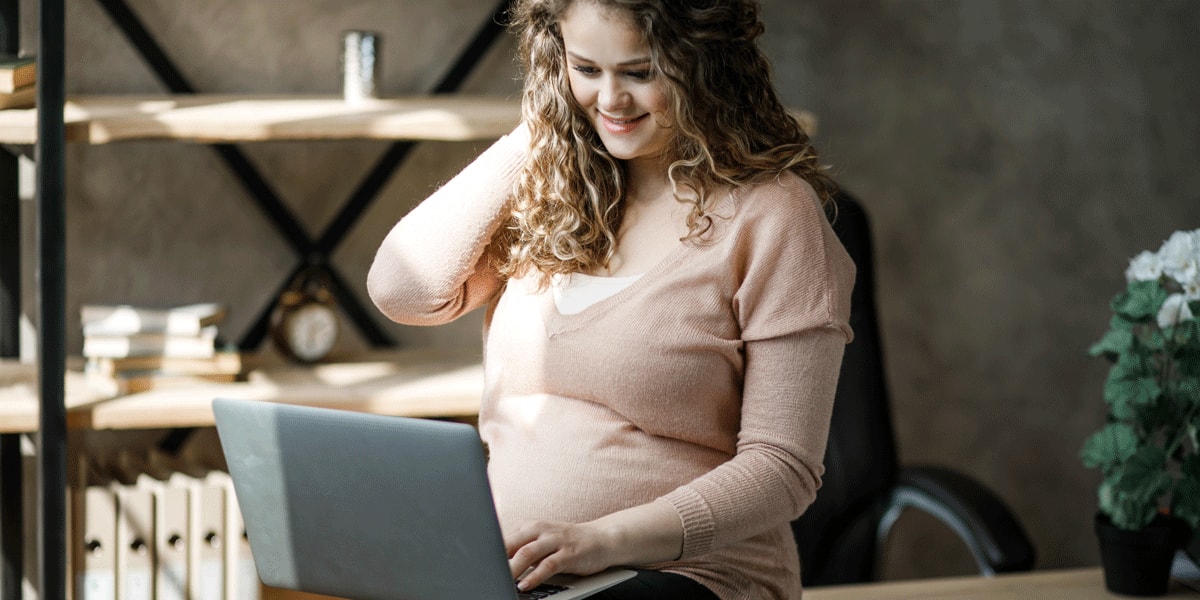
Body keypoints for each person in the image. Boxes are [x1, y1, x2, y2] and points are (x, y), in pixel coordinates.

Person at [367, 0, 854, 598]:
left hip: (687, 576)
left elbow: (782, 470)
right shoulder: (554, 195)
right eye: (587, 68)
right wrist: (548, 123)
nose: (612, 101)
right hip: (517, 576)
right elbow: (405, 289)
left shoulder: (774, 215)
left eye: (640, 72)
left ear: (705, 64)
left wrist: (600, 541)